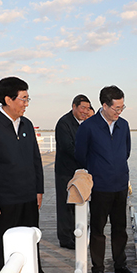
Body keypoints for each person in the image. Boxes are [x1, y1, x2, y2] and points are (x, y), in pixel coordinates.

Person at [0, 76, 59, 273]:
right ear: (8, 99)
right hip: (5, 198)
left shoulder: (27, 124)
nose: (26, 103)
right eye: (23, 98)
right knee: (5, 243)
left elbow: (35, 160)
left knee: (32, 239)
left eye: (27, 98)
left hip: (29, 195)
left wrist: (39, 189)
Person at [75, 85, 137, 273]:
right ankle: (98, 269)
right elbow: (80, 155)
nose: (119, 112)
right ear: (104, 105)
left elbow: (126, 151)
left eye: (122, 107)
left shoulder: (124, 125)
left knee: (120, 229)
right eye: (116, 108)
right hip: (100, 187)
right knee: (98, 230)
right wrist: (99, 169)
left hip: (120, 185)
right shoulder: (88, 126)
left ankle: (120, 264)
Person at [54, 95, 94, 249]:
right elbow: (68, 147)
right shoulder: (64, 123)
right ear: (74, 107)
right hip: (66, 171)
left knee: (78, 203)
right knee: (65, 205)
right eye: (82, 107)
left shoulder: (85, 123)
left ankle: (76, 233)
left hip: (80, 171)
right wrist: (88, 158)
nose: (85, 111)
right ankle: (65, 239)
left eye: (88, 108)